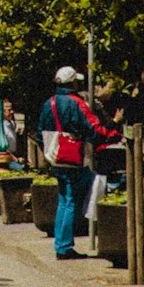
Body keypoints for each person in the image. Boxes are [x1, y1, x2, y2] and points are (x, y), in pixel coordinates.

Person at [37, 65, 120, 260]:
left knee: (64, 200)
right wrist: (114, 129)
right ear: (72, 82)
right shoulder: (77, 103)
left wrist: (50, 152)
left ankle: (61, 244)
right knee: (73, 200)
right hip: (74, 157)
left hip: (56, 157)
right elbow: (95, 129)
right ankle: (64, 247)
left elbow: (39, 131)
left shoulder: (49, 103)